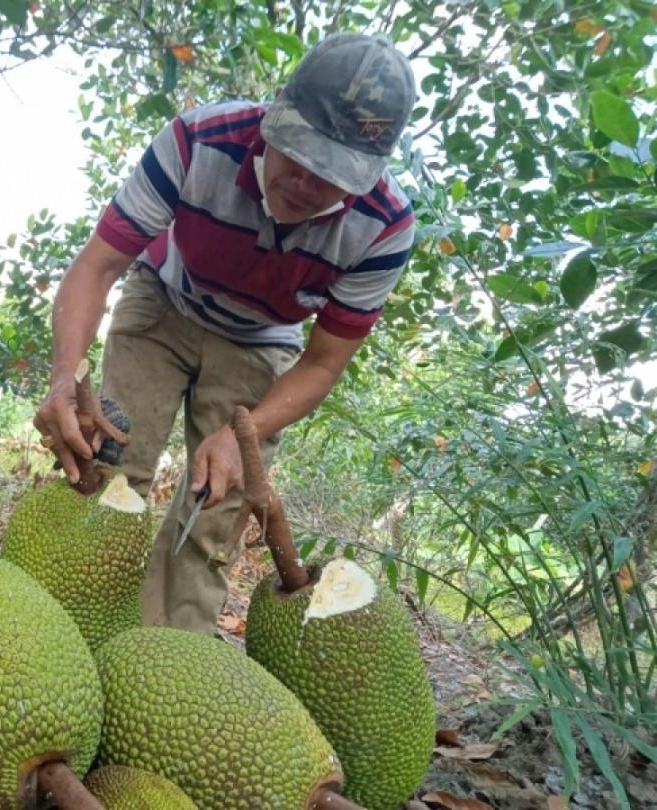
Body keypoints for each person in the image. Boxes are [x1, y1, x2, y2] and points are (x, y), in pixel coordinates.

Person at [33, 32, 418, 636]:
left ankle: (168, 662)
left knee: (215, 509)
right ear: (273, 118)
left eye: (333, 173)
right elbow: (98, 265)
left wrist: (249, 432)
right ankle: (63, 635)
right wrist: (63, 375)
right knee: (108, 465)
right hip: (164, 301)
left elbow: (321, 364)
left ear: (369, 172)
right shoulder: (198, 142)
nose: (307, 183)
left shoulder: (384, 228)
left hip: (264, 339)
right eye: (300, 155)